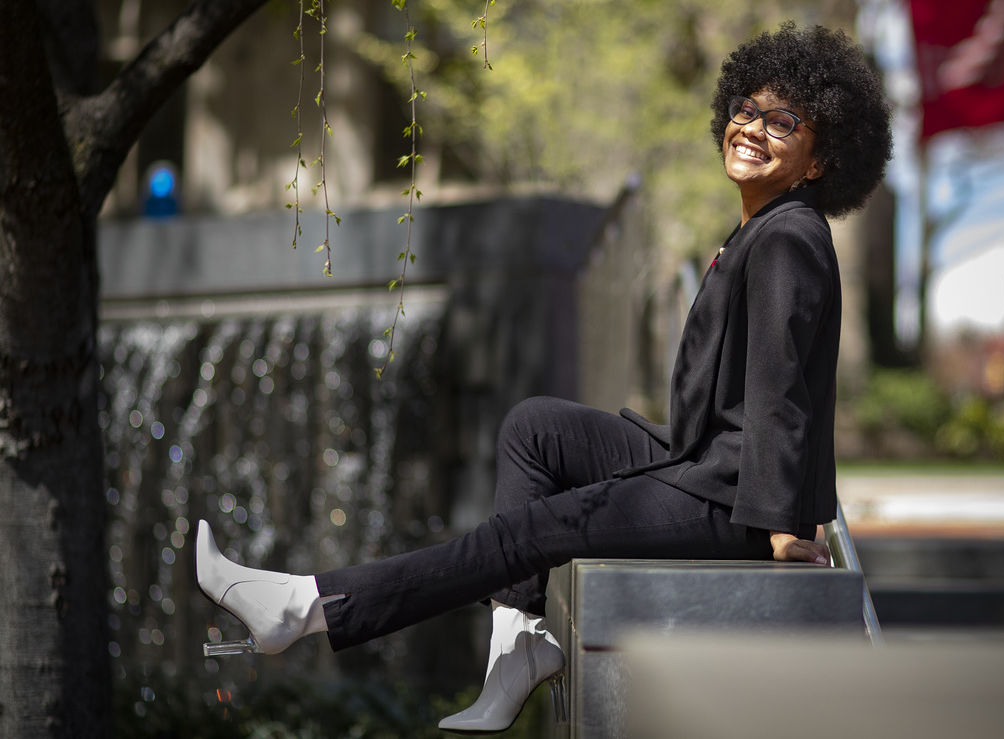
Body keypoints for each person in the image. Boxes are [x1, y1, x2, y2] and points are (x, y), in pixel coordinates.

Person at [196, 21, 892, 733]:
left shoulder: (787, 237)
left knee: (530, 531)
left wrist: (780, 528)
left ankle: (302, 606)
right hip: (702, 462)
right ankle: (518, 647)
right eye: (745, 110)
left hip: (732, 498)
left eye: (783, 121)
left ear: (819, 158)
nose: (752, 128)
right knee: (538, 430)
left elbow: (781, 384)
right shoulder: (763, 227)